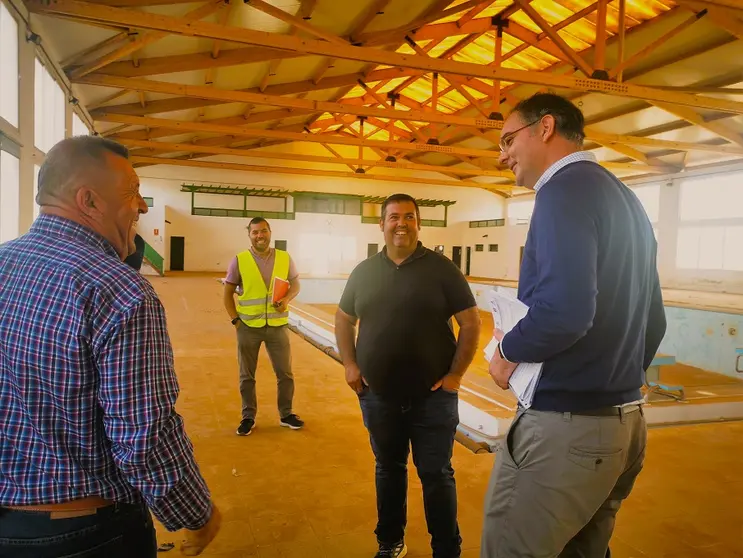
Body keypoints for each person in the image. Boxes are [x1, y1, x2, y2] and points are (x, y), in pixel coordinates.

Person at [0, 136, 220, 557]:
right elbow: (144, 439)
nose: (141, 206)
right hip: (83, 534)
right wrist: (198, 514)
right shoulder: (119, 291)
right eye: (132, 192)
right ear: (90, 201)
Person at [483, 93, 667, 558]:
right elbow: (655, 322)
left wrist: (507, 352)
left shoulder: (561, 191)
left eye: (508, 140)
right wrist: (611, 381)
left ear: (544, 128)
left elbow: (565, 312)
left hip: (568, 432)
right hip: (624, 427)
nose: (503, 155)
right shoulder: (626, 199)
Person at [335, 193, 481, 558]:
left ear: (419, 223)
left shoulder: (442, 269)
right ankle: (390, 542)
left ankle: (446, 549)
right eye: (394, 217)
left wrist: (455, 376)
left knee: (436, 476)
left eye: (409, 217)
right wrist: (350, 365)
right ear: (382, 224)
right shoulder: (364, 272)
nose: (401, 223)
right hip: (379, 396)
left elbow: (470, 322)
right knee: (388, 470)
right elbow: (343, 318)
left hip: (433, 399)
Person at [223, 217, 303, 435]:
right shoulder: (239, 260)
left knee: (285, 374)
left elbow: (295, 283)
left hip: (277, 326)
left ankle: (286, 414)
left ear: (270, 232)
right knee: (246, 376)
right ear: (249, 235)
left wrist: (287, 299)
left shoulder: (284, 258)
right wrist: (235, 320)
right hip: (248, 326)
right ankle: (248, 417)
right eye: (255, 232)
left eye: (263, 231)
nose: (260, 236)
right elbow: (227, 293)